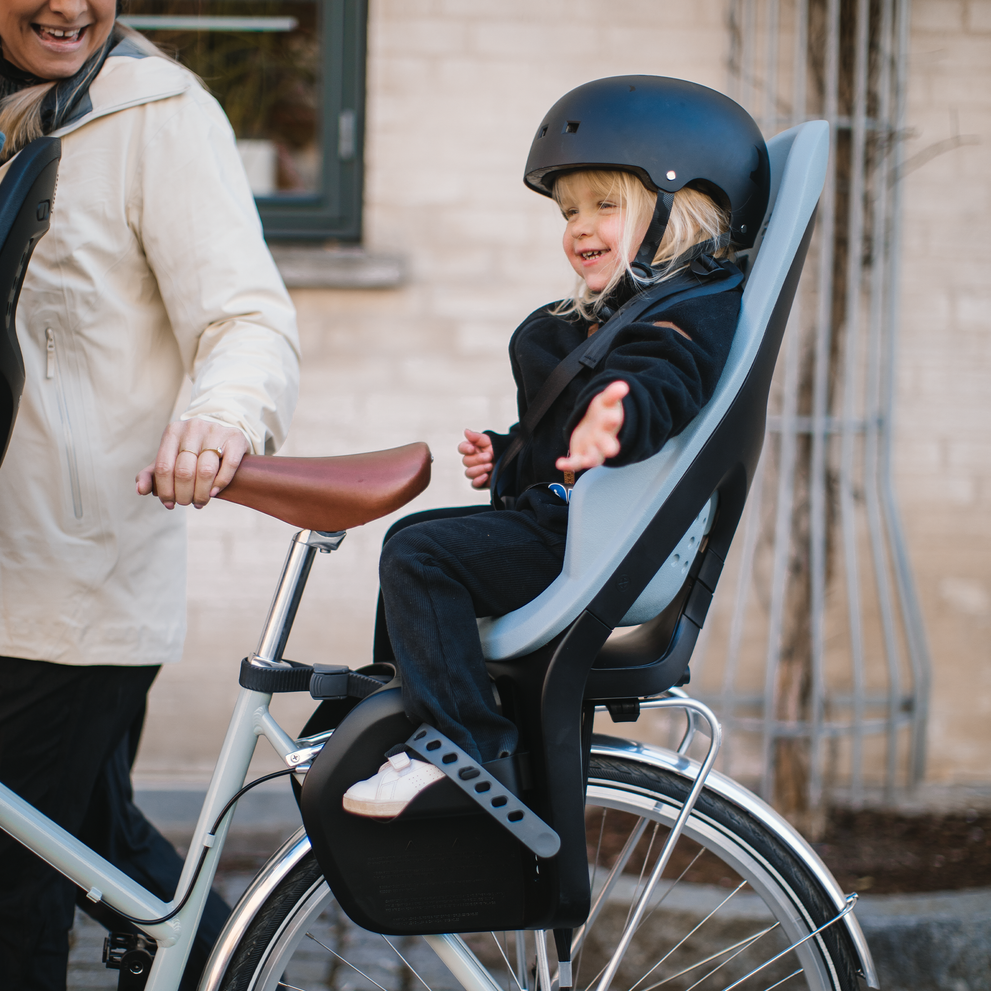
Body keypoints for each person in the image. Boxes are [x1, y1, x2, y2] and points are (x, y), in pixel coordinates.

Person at [343, 76, 769, 818]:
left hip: (600, 540)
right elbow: (556, 455)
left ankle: (460, 747)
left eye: (606, 204)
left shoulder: (683, 312)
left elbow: (662, 382)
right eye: (569, 209)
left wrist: (618, 415)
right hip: (571, 523)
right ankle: (398, 714)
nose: (578, 226)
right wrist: (508, 456)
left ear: (680, 207)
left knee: (421, 556)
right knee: (415, 538)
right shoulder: (613, 317)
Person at [0, 2, 300, 988]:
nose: (70, 5)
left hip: (68, 582)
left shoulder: (156, 113)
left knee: (17, 881)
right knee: (95, 843)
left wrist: (222, 416)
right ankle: (240, 970)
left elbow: (246, 316)